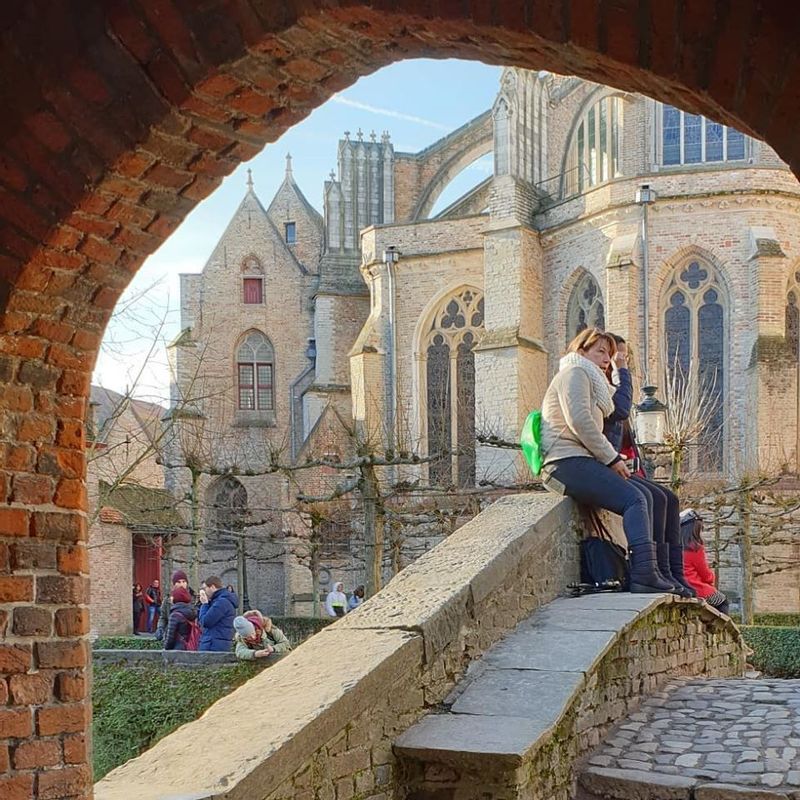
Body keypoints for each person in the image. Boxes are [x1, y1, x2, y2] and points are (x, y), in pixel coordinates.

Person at [540, 327, 673, 593]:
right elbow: (579, 422)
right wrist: (612, 459)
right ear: (581, 350)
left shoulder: (592, 382)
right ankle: (644, 574)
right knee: (634, 499)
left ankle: (654, 571)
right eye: (600, 351)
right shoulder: (574, 373)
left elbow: (618, 407)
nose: (605, 358)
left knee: (644, 497)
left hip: (580, 460)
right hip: (564, 462)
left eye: (609, 353)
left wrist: (621, 372)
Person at [602, 334, 695, 599]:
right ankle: (649, 571)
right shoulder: (603, 388)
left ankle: (669, 572)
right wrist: (622, 373)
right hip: (605, 464)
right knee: (647, 497)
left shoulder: (612, 389)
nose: (622, 362)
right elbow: (617, 413)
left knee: (668, 498)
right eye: (618, 357)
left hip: (622, 465)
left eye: (625, 358)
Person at [680, 509, 729, 614]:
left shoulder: (674, 546)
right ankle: (719, 630)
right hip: (696, 588)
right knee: (723, 601)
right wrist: (711, 578)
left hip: (680, 586)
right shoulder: (695, 548)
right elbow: (705, 574)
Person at [197, 575, 237, 651]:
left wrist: (204, 604)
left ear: (212, 587)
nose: (204, 591)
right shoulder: (220, 601)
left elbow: (206, 622)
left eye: (205, 588)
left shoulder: (221, 602)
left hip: (214, 645)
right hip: (217, 643)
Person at [156, 570, 190, 641]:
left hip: (188, 637)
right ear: (174, 584)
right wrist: (160, 628)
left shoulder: (193, 598)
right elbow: (163, 617)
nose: (182, 584)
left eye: (184, 581)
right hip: (170, 635)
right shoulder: (167, 599)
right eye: (179, 582)